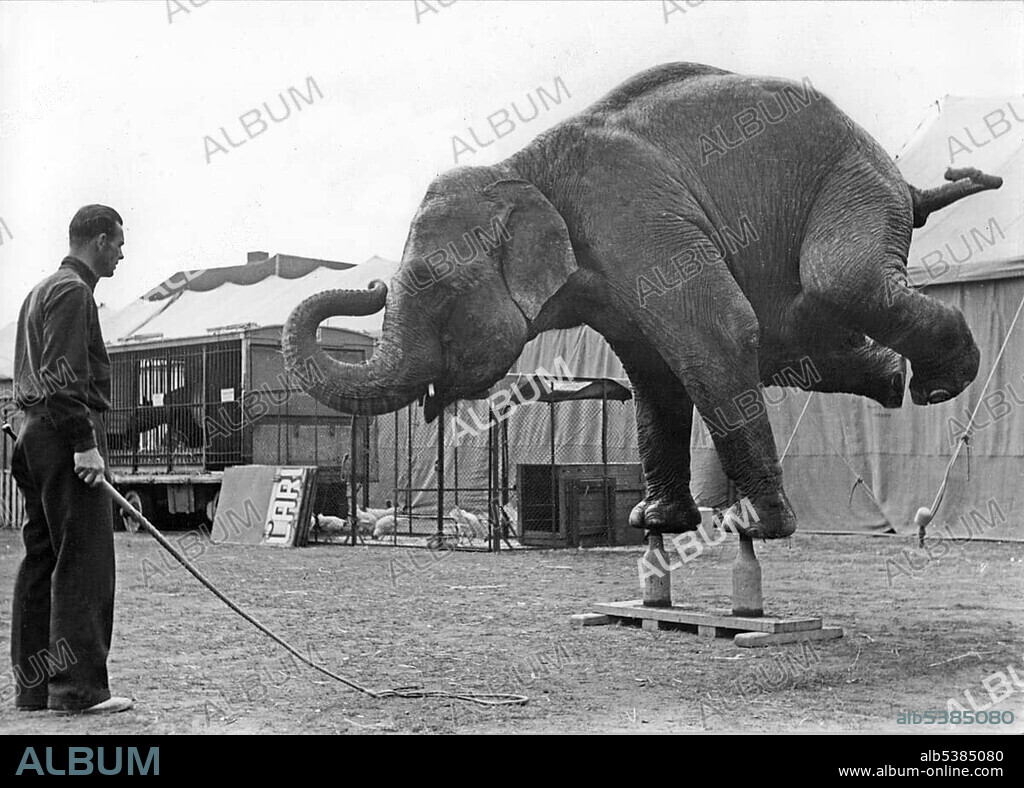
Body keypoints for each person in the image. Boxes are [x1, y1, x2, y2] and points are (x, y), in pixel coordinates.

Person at [9, 205, 132, 714]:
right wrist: (85, 442)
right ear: (100, 240)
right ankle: (78, 690)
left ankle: (35, 689)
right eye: (119, 243)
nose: (123, 253)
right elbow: (63, 377)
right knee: (83, 561)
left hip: (30, 435)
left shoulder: (39, 290)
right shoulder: (74, 292)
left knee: (43, 558)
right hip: (63, 435)